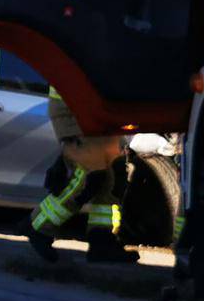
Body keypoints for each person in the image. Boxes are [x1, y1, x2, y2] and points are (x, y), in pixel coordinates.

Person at [26, 85, 136, 264]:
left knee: (111, 181)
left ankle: (102, 242)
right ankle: (38, 227)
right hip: (74, 106)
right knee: (89, 178)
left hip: (96, 106)